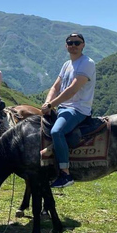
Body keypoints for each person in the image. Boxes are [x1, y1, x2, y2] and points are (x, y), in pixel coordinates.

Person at [40, 33, 96, 188]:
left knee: (57, 132)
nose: (73, 45)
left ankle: (65, 173)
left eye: (77, 43)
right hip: (63, 107)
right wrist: (47, 102)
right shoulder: (67, 64)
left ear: (83, 45)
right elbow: (55, 87)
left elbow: (72, 89)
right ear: (66, 46)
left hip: (78, 108)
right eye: (70, 43)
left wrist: (51, 105)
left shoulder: (87, 63)